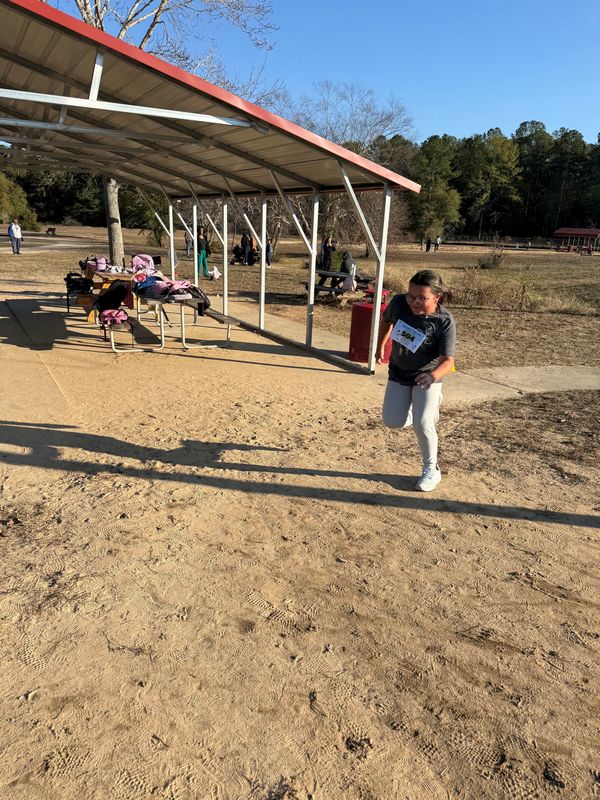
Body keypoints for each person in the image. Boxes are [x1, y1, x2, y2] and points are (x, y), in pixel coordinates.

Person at [377, 270, 456, 492]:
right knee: (393, 421)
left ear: (436, 298)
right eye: (411, 295)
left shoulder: (444, 322)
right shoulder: (400, 303)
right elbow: (387, 320)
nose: (413, 301)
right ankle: (423, 411)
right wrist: (380, 345)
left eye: (421, 297)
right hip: (399, 372)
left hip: (427, 377)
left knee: (423, 424)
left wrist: (432, 376)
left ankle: (432, 469)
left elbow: (448, 361)